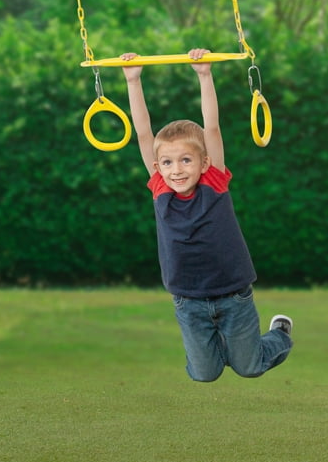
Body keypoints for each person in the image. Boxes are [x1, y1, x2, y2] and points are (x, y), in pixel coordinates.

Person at [120, 50, 293, 383]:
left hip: (233, 293)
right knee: (204, 374)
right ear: (158, 168)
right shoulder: (161, 191)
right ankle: (215, 351)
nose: (176, 169)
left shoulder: (213, 182)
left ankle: (280, 333)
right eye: (168, 163)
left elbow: (211, 127)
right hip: (188, 299)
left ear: (203, 163)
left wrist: (204, 75)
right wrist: (133, 80)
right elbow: (144, 134)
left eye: (186, 160)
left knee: (249, 366)